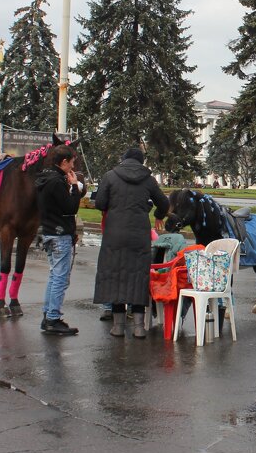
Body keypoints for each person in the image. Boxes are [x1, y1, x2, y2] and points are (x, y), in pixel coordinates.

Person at [94, 147, 170, 338]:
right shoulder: (148, 180)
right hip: (139, 234)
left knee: (115, 275)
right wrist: (154, 211)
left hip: (114, 234)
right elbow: (164, 203)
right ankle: (138, 327)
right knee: (138, 275)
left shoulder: (110, 176)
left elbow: (100, 203)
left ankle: (118, 326)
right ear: (141, 162)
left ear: (124, 159)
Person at [36, 144, 86, 335]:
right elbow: (70, 208)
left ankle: (48, 314)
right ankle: (53, 318)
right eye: (72, 163)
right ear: (64, 162)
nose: (73, 167)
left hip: (49, 230)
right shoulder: (56, 181)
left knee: (54, 275)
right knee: (60, 278)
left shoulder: (44, 178)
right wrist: (74, 186)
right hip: (60, 233)